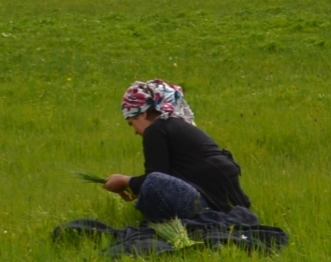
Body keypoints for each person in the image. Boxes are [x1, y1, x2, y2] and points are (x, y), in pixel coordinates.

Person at [102, 80, 253, 223]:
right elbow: (172, 177)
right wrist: (135, 188)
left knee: (152, 183)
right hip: (229, 203)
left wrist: (124, 181)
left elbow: (156, 180)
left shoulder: (155, 130)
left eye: (131, 123)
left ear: (143, 114)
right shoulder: (176, 125)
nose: (135, 131)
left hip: (210, 206)